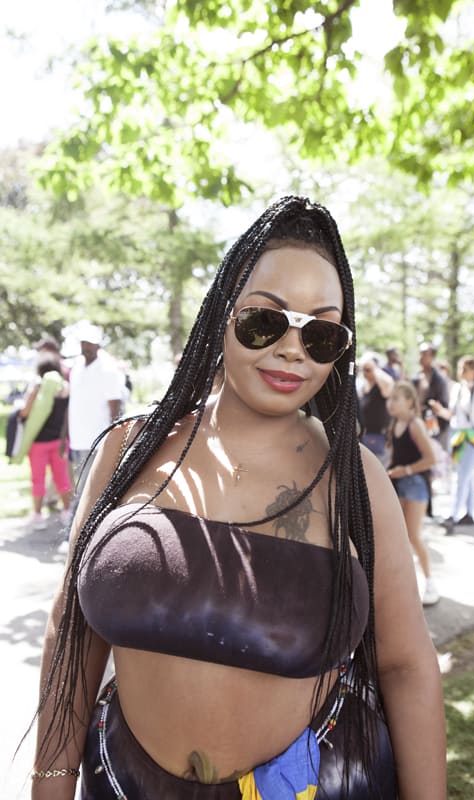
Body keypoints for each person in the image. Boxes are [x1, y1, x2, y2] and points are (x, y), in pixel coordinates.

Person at [29, 197, 446, 800]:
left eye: (321, 333)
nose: (292, 349)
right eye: (264, 321)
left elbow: (406, 667)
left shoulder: (358, 479)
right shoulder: (128, 450)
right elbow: (70, 632)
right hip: (118, 783)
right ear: (222, 312)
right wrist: (50, 783)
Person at [430, 355, 474, 535]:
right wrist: (439, 410)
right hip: (459, 437)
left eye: (465, 369)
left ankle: (453, 516)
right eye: (460, 368)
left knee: (462, 476)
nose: (461, 372)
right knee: (467, 477)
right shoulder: (458, 389)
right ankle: (469, 514)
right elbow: (452, 415)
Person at [386, 382, 439, 606]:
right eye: (390, 398)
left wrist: (405, 471)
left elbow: (431, 459)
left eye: (396, 399)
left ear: (409, 401)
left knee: (413, 536)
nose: (391, 403)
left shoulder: (415, 424)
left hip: (415, 484)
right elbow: (395, 457)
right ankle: (404, 585)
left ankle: (430, 583)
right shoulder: (394, 424)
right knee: (400, 536)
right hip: (398, 484)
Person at [13, 355, 71, 530]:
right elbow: (67, 415)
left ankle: (38, 516)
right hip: (60, 441)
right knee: (62, 478)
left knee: (37, 479)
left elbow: (25, 413)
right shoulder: (65, 388)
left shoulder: (38, 388)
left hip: (38, 443)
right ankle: (67, 512)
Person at [67, 322, 125, 488]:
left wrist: (114, 439)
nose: (86, 346)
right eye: (83, 342)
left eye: (90, 343)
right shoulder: (77, 366)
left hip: (98, 439)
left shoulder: (107, 368)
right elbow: (72, 402)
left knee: (93, 488)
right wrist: (65, 435)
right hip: (77, 438)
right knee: (82, 485)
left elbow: (115, 406)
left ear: (98, 344)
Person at [357, 353, 394, 465]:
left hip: (378, 435)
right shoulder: (363, 386)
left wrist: (375, 369)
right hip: (365, 435)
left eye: (368, 370)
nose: (365, 373)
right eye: (363, 370)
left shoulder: (381, 385)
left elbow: (389, 385)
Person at [412, 342, 449, 447]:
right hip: (416, 424)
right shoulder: (416, 378)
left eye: (424, 354)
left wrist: (432, 406)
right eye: (420, 353)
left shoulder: (439, 380)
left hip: (433, 428)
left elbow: (443, 405)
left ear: (432, 356)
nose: (421, 357)